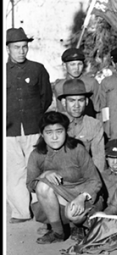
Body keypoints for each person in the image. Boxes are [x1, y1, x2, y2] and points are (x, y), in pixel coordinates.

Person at [26, 111, 102, 244]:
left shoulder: (77, 149)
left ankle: (77, 226)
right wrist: (44, 175)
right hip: (57, 201)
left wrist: (82, 197)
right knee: (42, 186)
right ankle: (58, 232)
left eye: (59, 131)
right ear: (42, 134)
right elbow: (30, 184)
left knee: (74, 215)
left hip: (81, 196)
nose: (54, 137)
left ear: (66, 132)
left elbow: (95, 180)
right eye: (49, 132)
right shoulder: (37, 154)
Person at [6, 26, 53, 224]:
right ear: (8, 49)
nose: (21, 51)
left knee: (35, 168)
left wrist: (36, 116)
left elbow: (46, 97)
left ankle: (40, 209)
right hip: (9, 130)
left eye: (24, 47)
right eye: (17, 47)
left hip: (33, 127)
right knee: (14, 171)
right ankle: (20, 212)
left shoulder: (37, 69)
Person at [57, 78, 106, 171]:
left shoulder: (94, 125)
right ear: (64, 102)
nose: (76, 105)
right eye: (71, 100)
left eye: (80, 100)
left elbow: (99, 159)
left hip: (85, 175)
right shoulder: (56, 123)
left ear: (86, 101)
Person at [50, 46, 99, 117]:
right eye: (72, 64)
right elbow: (60, 111)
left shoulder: (91, 83)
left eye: (80, 64)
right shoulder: (59, 86)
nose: (76, 68)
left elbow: (98, 109)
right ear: (64, 65)